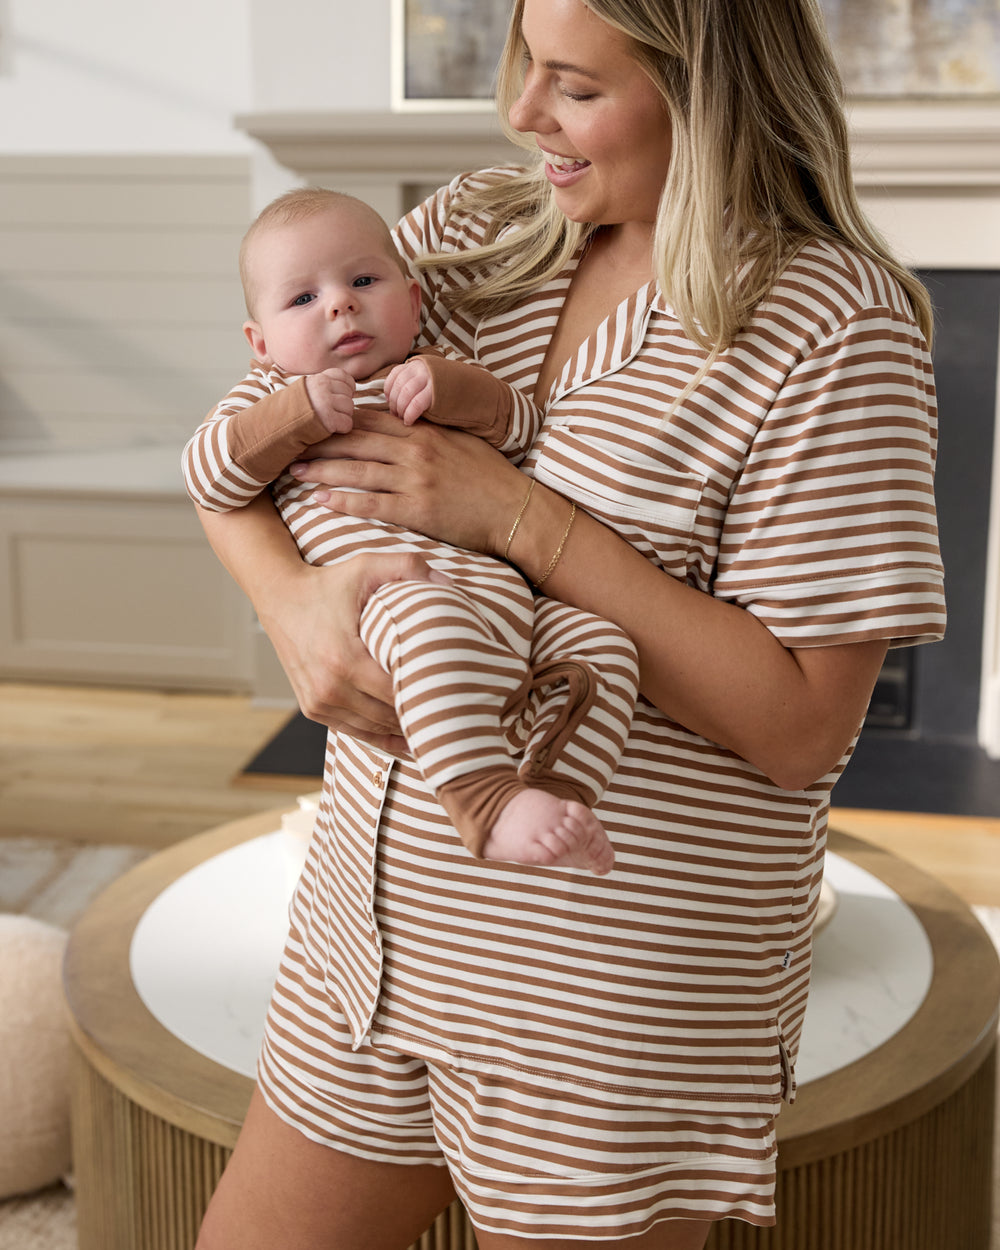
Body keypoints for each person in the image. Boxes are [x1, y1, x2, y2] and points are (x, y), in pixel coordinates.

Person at [193, 0, 946, 1246]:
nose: (523, 113)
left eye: (572, 85)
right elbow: (235, 446)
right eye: (521, 67)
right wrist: (294, 605)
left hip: (601, 1002)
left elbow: (803, 725)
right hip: (367, 934)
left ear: (702, 91)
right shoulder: (475, 228)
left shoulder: (833, 328)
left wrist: (517, 516)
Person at [184, 187, 640, 874]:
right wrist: (296, 415)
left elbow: (522, 426)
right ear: (262, 342)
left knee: (605, 646)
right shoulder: (271, 395)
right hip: (393, 604)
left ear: (414, 300)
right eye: (302, 300)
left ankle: (554, 792)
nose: (340, 303)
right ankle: (482, 804)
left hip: (510, 611)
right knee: (423, 612)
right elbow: (207, 475)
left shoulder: (436, 367)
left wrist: (455, 390)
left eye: (363, 281)